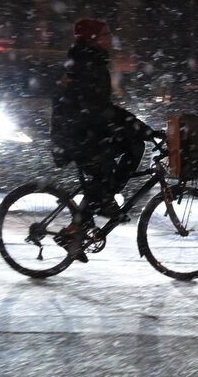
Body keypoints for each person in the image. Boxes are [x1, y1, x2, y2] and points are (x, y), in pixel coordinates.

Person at [51, 18, 153, 261]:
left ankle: (97, 207)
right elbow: (97, 110)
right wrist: (136, 126)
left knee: (133, 147)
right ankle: (80, 226)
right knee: (104, 168)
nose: (110, 38)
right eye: (106, 34)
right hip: (75, 136)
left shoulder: (91, 62)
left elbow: (101, 108)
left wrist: (136, 128)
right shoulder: (87, 65)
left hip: (83, 132)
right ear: (93, 38)